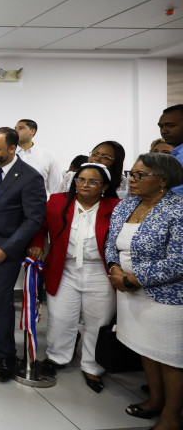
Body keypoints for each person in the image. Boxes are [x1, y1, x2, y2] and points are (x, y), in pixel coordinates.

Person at [104, 153, 183, 430]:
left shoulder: (178, 209)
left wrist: (132, 279)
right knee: (146, 348)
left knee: (169, 356)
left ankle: (172, 416)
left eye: (140, 175)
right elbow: (111, 243)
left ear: (162, 180)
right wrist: (115, 269)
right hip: (128, 291)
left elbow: (179, 262)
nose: (132, 180)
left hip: (166, 297)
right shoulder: (126, 205)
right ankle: (155, 400)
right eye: (131, 174)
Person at [28, 163, 120, 392]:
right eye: (81, 180)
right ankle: (57, 357)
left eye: (93, 181)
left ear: (104, 187)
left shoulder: (116, 206)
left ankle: (92, 366)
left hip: (99, 271)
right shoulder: (57, 202)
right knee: (60, 317)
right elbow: (39, 226)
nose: (85, 185)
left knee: (97, 322)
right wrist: (38, 244)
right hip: (65, 268)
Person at [0, 127, 46, 382]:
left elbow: (33, 220)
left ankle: (7, 357)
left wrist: (7, 249)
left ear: (12, 149)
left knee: (1, 301)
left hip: (8, 250)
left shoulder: (30, 177)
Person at [59, 141, 129, 198]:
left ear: (117, 163)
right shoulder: (72, 177)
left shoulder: (124, 184)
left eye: (106, 157)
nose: (97, 159)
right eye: (95, 154)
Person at [15, 119, 62, 195]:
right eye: (15, 128)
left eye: (21, 128)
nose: (16, 131)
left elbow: (56, 187)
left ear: (32, 131)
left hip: (39, 200)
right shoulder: (6, 155)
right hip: (11, 201)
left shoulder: (49, 156)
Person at [158, 104, 183, 197]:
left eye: (171, 126)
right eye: (161, 127)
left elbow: (176, 194)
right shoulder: (177, 153)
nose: (163, 131)